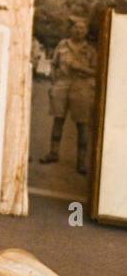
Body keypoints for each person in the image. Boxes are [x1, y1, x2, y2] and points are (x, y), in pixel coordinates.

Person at [41, 16, 97, 174]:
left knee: (82, 124)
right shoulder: (62, 44)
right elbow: (54, 64)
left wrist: (81, 68)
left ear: (86, 31)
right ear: (71, 29)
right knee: (58, 119)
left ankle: (81, 162)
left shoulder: (91, 50)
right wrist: (53, 82)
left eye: (82, 28)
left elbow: (97, 71)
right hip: (62, 84)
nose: (79, 30)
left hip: (81, 86)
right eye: (76, 27)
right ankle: (53, 153)